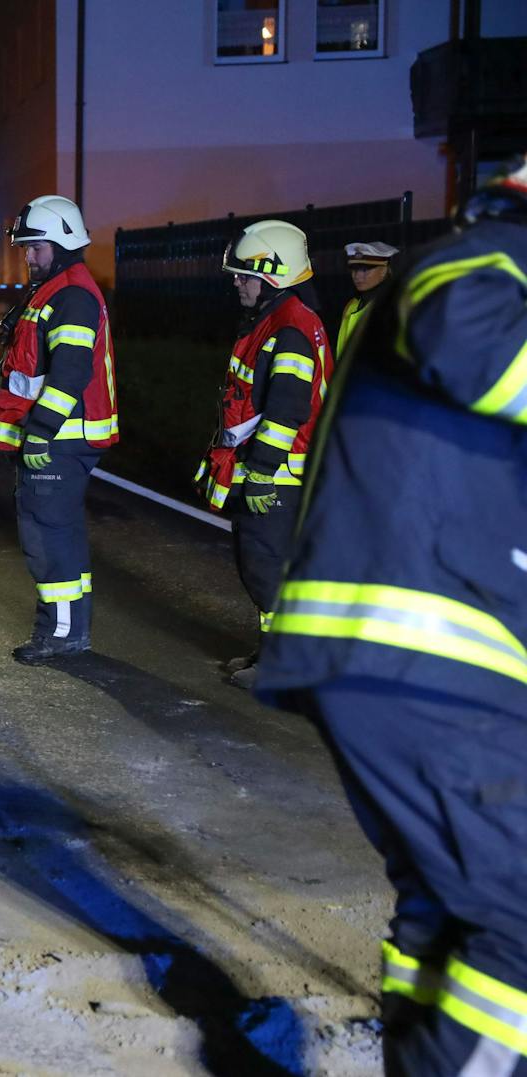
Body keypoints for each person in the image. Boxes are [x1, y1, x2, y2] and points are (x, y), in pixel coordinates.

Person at [257, 158, 527, 1076]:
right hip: (431, 655)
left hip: (410, 654)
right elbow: (466, 332)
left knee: (442, 907)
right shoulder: (486, 258)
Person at [193, 220, 332, 689]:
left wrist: (262, 474)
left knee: (266, 567)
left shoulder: (288, 328)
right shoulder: (281, 319)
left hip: (279, 477)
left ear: (273, 275)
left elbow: (287, 413)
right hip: (279, 473)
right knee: (266, 566)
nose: (237, 282)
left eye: (245, 274)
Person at [0, 195, 119, 664]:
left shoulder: (72, 297)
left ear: (62, 243)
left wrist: (39, 431)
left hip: (59, 439)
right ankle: (71, 627)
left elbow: (69, 373)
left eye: (36, 248)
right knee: (60, 534)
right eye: (26, 248)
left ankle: (61, 633)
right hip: (60, 438)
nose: (29, 257)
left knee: (47, 537)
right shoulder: (59, 291)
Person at [336, 240, 398, 356]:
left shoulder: (391, 306)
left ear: (384, 270)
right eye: (354, 269)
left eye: (365, 270)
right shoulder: (352, 305)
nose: (357, 276)